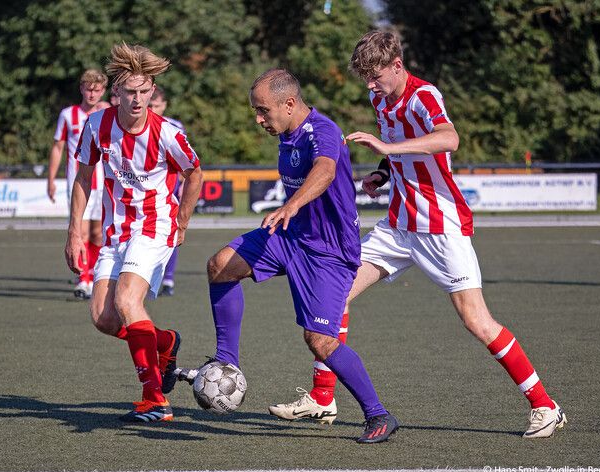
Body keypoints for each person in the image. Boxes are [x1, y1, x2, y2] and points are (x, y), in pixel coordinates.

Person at [269, 29, 567, 439]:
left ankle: (544, 405)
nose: (370, 86)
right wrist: (383, 172)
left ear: (397, 65)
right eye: (366, 79)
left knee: (476, 321)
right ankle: (323, 397)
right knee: (335, 296)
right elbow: (402, 152)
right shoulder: (380, 98)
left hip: (440, 225)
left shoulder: (424, 95)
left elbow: (449, 138)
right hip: (397, 225)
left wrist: (386, 150)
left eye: (376, 76)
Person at [204, 68, 398, 444]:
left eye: (263, 111)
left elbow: (325, 171)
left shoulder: (322, 130)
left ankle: (378, 414)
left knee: (319, 341)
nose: (259, 119)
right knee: (220, 265)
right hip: (290, 236)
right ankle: (226, 359)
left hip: (328, 250)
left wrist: (291, 205)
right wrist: (291, 213)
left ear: (289, 104)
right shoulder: (287, 133)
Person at [65, 42, 203, 423]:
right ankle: (164, 342)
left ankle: (154, 399)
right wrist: (75, 232)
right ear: (116, 92)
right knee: (104, 319)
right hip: (116, 232)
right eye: (131, 92)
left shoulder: (168, 134)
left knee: (128, 301)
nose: (139, 99)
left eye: (146, 92)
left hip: (155, 225)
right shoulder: (97, 125)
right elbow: (82, 177)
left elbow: (195, 173)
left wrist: (183, 221)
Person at [48, 69, 111, 299]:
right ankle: (83, 279)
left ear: (103, 91)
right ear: (81, 89)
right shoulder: (68, 115)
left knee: (97, 234)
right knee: (81, 231)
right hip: (79, 182)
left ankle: (92, 275)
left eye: (97, 89)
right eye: (88, 89)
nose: (92, 93)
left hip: (104, 183)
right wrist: (51, 178)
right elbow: (58, 147)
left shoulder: (108, 113)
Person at [149, 86, 185, 296]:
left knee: (170, 234)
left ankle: (168, 279)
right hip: (145, 191)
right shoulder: (137, 124)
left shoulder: (174, 126)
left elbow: (184, 161)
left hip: (169, 189)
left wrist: (181, 187)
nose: (153, 109)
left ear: (164, 105)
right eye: (150, 105)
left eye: (157, 105)